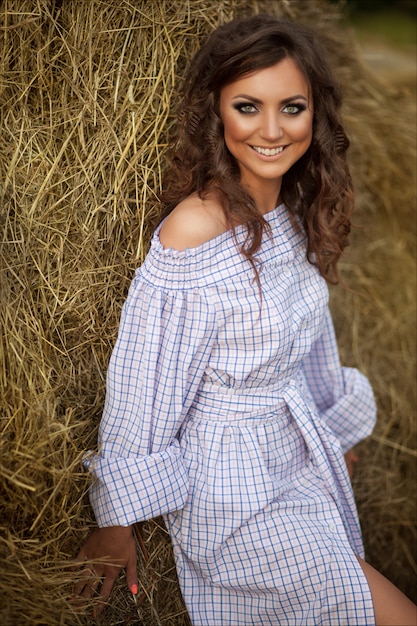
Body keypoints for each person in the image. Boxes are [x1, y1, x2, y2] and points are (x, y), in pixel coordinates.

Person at [74, 14, 417, 626]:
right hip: (231, 489)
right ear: (216, 115)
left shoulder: (291, 210)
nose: (271, 129)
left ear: (316, 115)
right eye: (246, 106)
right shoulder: (192, 234)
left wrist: (328, 430)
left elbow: (309, 337)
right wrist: (117, 521)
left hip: (295, 456)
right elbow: (144, 385)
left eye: (291, 107)